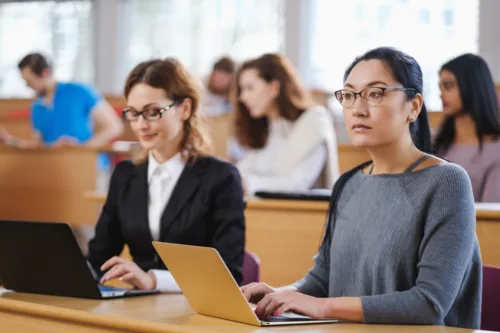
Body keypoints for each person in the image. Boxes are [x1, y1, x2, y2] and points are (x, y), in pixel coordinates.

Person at [240, 47, 481, 329]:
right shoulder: (348, 183)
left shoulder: (446, 182)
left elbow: (428, 304)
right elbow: (322, 278)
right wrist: (283, 294)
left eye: (375, 93)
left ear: (414, 106)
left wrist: (321, 306)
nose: (357, 108)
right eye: (350, 95)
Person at [86, 58, 245, 291]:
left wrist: (153, 280)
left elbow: (228, 273)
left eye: (153, 112)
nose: (140, 124)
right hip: (137, 310)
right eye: (133, 113)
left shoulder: (221, 178)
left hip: (197, 313)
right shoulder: (125, 175)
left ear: (185, 108)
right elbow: (98, 258)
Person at [234, 53, 339, 195]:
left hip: (303, 214)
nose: (242, 97)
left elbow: (298, 184)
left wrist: (247, 183)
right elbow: (245, 169)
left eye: (250, 88)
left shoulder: (314, 121)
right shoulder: (269, 127)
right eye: (242, 89)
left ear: (274, 87)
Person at [0, 53, 123, 148]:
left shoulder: (80, 91)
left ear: (45, 73)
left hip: (89, 165)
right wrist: (9, 140)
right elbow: (38, 145)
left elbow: (114, 126)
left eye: (30, 82)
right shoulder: (37, 107)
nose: (28, 87)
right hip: (57, 168)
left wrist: (83, 148)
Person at [434, 53, 500, 202]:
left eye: (448, 86)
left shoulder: (495, 151)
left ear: (472, 86)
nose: (441, 94)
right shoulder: (434, 142)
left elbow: (489, 215)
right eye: (441, 87)